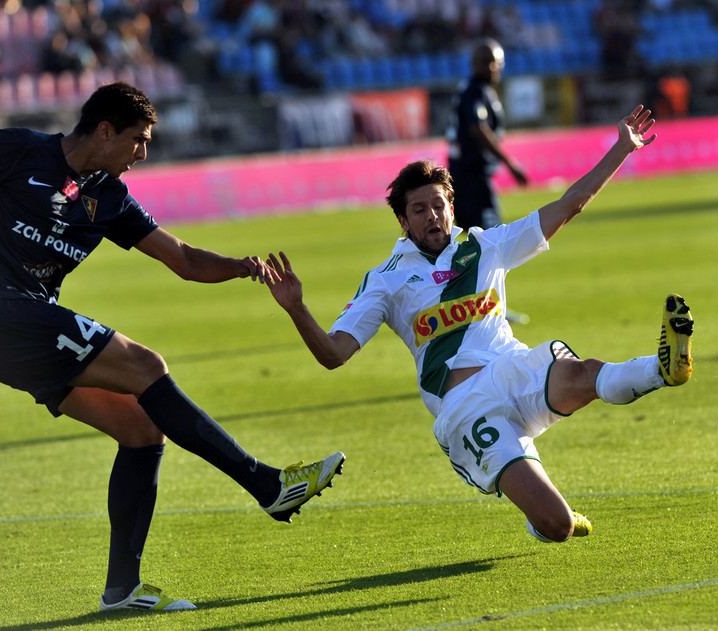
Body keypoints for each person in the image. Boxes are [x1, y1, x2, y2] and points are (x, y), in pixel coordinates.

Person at [0, 82, 344, 613]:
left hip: (21, 330)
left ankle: (121, 590)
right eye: (138, 140)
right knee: (147, 366)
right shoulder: (15, 148)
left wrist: (243, 267)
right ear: (104, 131)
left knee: (140, 428)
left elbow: (182, 258)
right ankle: (267, 485)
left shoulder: (107, 197)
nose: (143, 154)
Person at [263, 106, 693, 543]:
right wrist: (297, 308)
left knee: (583, 372)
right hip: (466, 406)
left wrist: (622, 148)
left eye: (438, 205)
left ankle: (664, 369)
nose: (432, 216)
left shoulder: (486, 246)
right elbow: (334, 355)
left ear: (452, 207)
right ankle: (538, 513)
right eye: (419, 210)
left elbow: (568, 205)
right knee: (557, 527)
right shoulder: (386, 280)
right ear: (403, 221)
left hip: (515, 371)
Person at [447, 38, 530, 324]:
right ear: (474, 63)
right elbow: (478, 129)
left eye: (496, 61)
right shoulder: (475, 91)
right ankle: (487, 307)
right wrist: (510, 163)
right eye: (487, 61)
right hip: (471, 179)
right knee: (488, 240)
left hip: (472, 177)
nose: (493, 66)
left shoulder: (477, 91)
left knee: (477, 242)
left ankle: (478, 305)